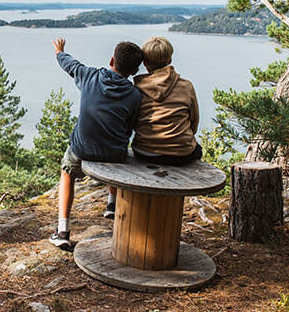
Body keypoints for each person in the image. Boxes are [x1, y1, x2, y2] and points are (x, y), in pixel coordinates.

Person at [48, 37, 143, 250]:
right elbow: (130, 127)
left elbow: (69, 64)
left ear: (112, 60)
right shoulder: (134, 95)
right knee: (113, 142)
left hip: (83, 150)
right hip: (115, 153)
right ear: (134, 71)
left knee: (67, 172)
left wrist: (59, 51)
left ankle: (62, 230)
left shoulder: (90, 76)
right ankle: (111, 203)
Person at [132, 36, 202, 165]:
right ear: (170, 59)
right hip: (181, 153)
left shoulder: (137, 87)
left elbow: (132, 120)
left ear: (145, 62)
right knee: (198, 150)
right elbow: (194, 121)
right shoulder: (186, 86)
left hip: (144, 151)